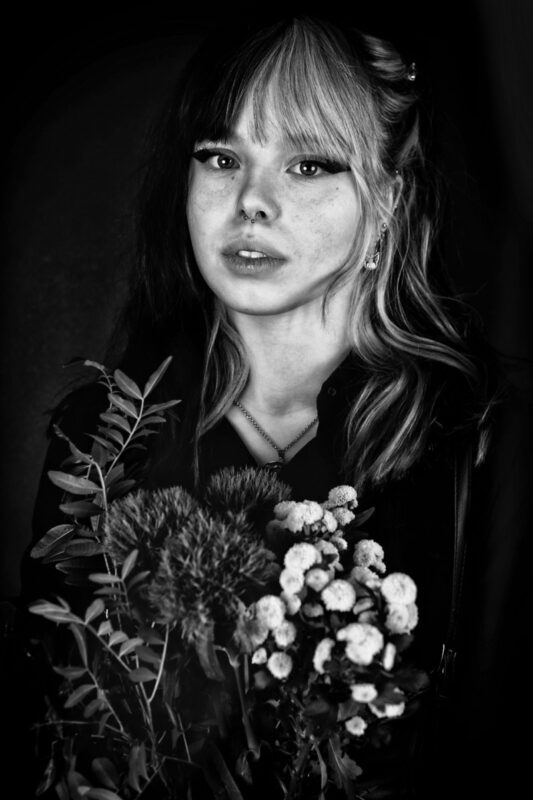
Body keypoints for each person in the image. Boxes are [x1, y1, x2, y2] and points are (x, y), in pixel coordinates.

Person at [17, 13, 525, 800]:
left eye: (308, 164)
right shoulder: (102, 436)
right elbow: (40, 724)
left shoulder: (484, 441)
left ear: (387, 200)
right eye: (221, 158)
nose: (251, 201)